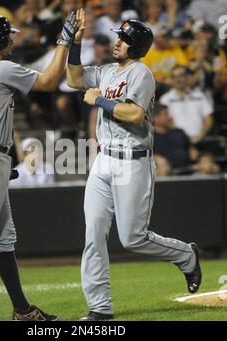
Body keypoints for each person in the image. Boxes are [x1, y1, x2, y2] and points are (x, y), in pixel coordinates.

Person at [67, 11, 202, 321]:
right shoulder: (108, 71)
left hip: (133, 161)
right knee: (94, 234)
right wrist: (75, 45)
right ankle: (99, 308)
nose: (117, 42)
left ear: (136, 45)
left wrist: (99, 100)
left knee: (133, 239)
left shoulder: (141, 73)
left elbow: (134, 115)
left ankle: (185, 254)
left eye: (124, 39)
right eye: (119, 36)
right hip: (104, 161)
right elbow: (73, 79)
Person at [0, 13, 78, 321]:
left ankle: (22, 310)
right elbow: (49, 82)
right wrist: (65, 40)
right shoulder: (0, 68)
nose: (12, 39)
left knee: (4, 237)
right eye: (8, 35)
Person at [159, 66, 213, 144]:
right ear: (172, 80)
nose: (178, 79)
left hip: (199, 140)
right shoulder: (165, 99)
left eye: (181, 75)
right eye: (174, 77)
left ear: (187, 77)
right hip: (175, 141)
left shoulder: (200, 96)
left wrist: (201, 135)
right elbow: (163, 121)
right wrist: (180, 136)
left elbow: (208, 120)